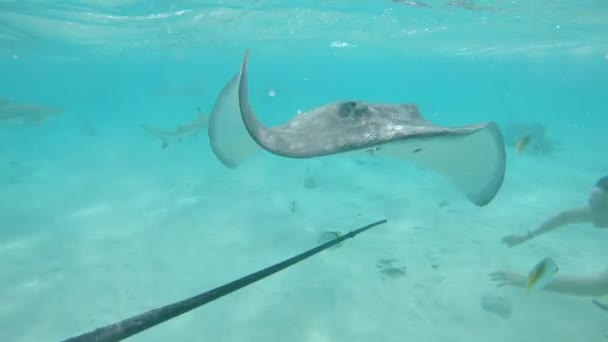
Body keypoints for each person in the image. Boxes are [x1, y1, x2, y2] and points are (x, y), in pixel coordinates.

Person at [501, 175, 608, 248]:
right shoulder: (594, 211)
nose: (592, 212)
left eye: (601, 207)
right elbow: (565, 217)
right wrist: (527, 237)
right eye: (590, 203)